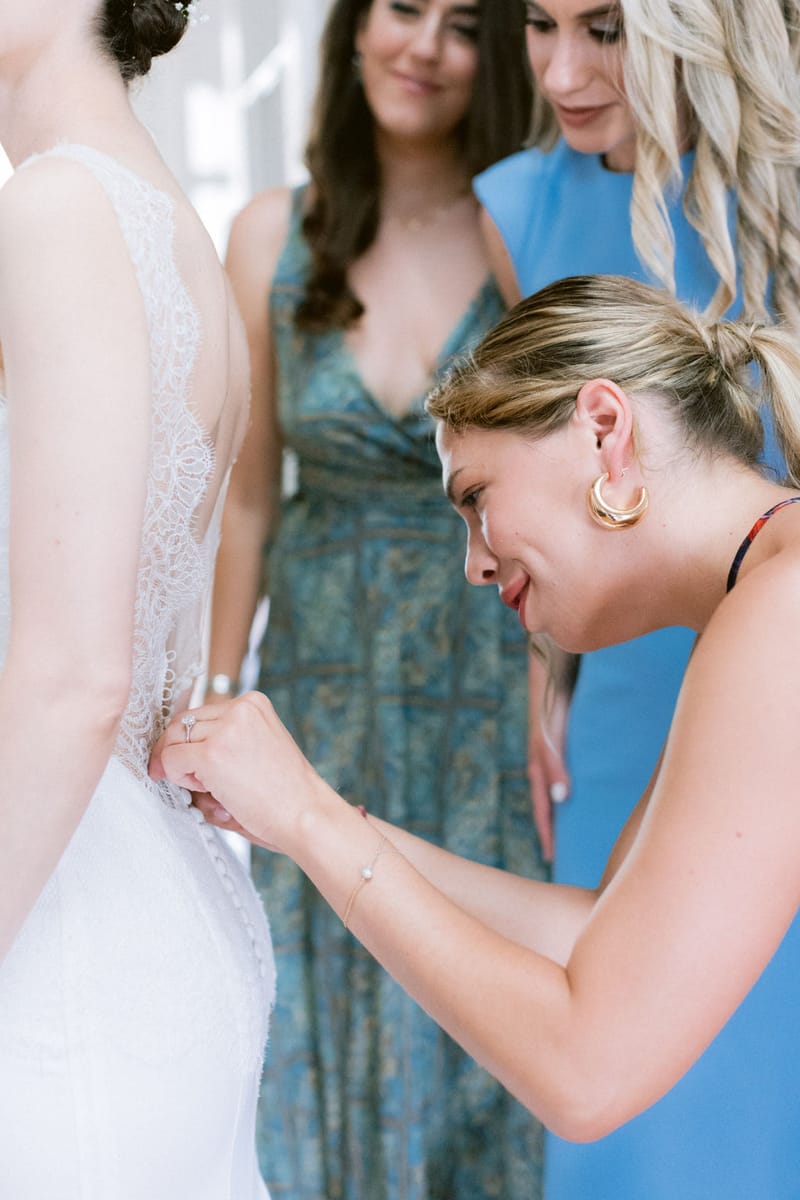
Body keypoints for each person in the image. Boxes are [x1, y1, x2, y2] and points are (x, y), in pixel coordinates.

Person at [155, 273, 800, 1194]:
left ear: (605, 430)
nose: (473, 562)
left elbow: (588, 1069)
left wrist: (313, 824)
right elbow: (595, 941)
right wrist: (317, 819)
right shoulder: (762, 599)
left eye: (476, 497)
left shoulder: (782, 613)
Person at [204, 1, 540, 1197]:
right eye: (401, 7)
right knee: (313, 981)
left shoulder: (522, 227)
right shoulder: (265, 238)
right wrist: (206, 695)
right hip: (322, 686)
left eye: (463, 23)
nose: (424, 46)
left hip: (488, 685)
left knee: (480, 981)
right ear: (351, 30)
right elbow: (245, 505)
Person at [469, 3, 800, 1194]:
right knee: (642, 1102)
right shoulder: (518, 207)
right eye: (539, 25)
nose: (562, 70)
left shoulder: (784, 186)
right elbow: (541, 492)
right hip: (622, 700)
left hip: (784, 657)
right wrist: (542, 678)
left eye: (604, 28)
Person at [0, 2, 275, 1196]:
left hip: (55, 932)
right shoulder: (163, 228)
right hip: (135, 901)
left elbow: (73, 681)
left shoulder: (62, 210)